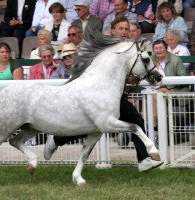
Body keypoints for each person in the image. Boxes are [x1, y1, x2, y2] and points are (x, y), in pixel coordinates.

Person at [44, 16, 164, 172]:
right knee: (88, 127)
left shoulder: (126, 48)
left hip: (115, 97)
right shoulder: (105, 47)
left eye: (127, 29)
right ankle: (57, 138)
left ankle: (143, 160)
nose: (124, 32)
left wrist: (133, 78)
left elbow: (126, 71)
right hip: (95, 96)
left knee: (135, 120)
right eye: (121, 28)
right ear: (112, 30)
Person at [151, 39, 190, 125]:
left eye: (161, 48)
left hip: (175, 90)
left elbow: (183, 77)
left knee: (156, 94)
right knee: (145, 96)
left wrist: (167, 85)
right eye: (156, 49)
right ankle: (152, 124)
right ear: (153, 51)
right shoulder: (150, 60)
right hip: (154, 89)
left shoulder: (176, 59)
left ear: (166, 48)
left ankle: (154, 125)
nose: (158, 50)